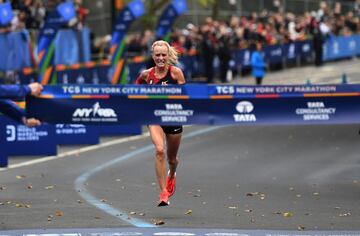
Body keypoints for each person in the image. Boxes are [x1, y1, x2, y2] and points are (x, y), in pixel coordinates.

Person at [135, 40, 186, 207]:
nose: (161, 58)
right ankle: (163, 192)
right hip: (155, 117)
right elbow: (136, 87)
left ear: (168, 55)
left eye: (164, 55)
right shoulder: (146, 75)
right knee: (159, 150)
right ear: (153, 56)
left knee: (172, 159)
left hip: (173, 118)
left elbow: (186, 97)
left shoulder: (176, 73)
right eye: (157, 55)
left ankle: (172, 175)